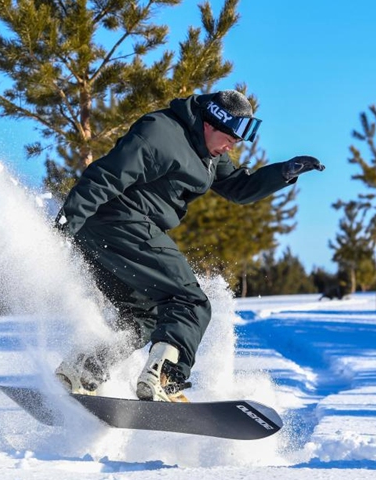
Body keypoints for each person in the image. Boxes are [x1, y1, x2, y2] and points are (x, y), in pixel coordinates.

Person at [54, 90, 325, 402]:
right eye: (230, 138)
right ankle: (165, 380)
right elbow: (106, 175)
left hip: (114, 230)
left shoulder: (209, 151)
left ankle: (80, 372)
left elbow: (237, 187)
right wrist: (64, 225)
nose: (232, 146)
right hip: (120, 222)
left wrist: (283, 173)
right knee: (189, 302)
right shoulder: (159, 132)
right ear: (210, 123)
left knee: (141, 316)